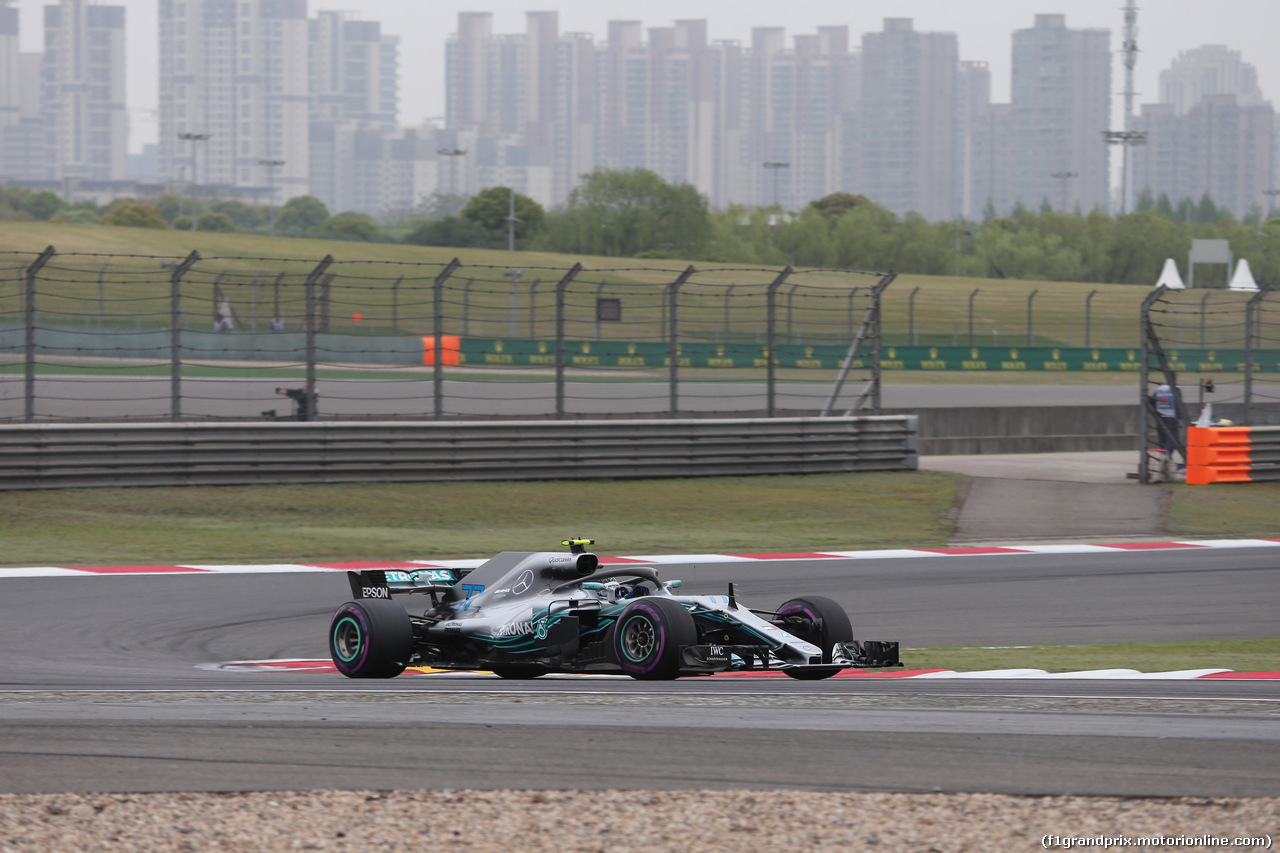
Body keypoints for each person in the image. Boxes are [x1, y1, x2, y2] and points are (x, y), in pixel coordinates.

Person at [1152, 376, 1182, 471]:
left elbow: (1151, 400)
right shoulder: (1176, 389)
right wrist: (1179, 415)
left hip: (1160, 418)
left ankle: (1165, 458)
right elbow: (1178, 403)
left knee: (1163, 440)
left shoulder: (1159, 389)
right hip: (1171, 417)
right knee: (1174, 438)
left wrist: (1156, 411)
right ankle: (1166, 456)